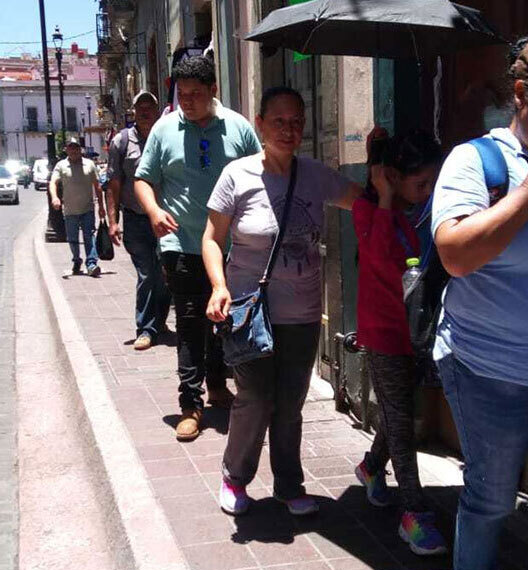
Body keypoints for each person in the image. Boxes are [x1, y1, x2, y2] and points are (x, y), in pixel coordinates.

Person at [204, 86, 364, 516]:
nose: (289, 130)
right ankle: (235, 478)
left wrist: (382, 165)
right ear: (259, 123)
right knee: (255, 398)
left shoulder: (315, 175)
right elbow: (212, 239)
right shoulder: (236, 176)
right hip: (251, 310)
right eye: (279, 121)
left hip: (303, 310)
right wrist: (219, 286)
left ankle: (289, 484)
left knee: (290, 401)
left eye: (297, 122)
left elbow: (363, 203)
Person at [432, 36, 528, 570]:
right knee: (492, 496)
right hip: (484, 363)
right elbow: (455, 254)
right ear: (522, 94)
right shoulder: (477, 163)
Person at [134, 54, 261, 441]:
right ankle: (190, 403)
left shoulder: (237, 128)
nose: (186, 101)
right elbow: (144, 179)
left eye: (195, 94)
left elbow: (260, 173)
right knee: (189, 323)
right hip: (181, 243)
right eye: (181, 93)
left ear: (213, 91)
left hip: (230, 247)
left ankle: (218, 383)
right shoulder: (164, 129)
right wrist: (154, 210)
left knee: (223, 319)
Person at [349, 129, 449, 556]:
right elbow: (376, 257)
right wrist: (386, 197)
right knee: (402, 422)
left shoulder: (417, 214)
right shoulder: (367, 210)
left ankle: (371, 468)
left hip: (414, 331)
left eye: (432, 183)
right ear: (392, 177)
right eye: (420, 183)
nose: (427, 192)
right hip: (384, 331)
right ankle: (414, 512)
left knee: (397, 410)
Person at [107, 91, 172, 351]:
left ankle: (160, 322)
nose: (145, 111)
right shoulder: (121, 142)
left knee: (166, 273)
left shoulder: (167, 137)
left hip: (166, 219)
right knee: (147, 273)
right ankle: (145, 328)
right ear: (133, 111)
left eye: (150, 106)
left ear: (157, 111)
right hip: (135, 219)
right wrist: (113, 221)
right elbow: (113, 183)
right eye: (140, 107)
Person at [51, 137, 106, 277]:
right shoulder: (61, 165)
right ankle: (76, 260)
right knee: (72, 239)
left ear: (80, 149)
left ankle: (92, 263)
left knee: (89, 236)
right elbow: (53, 183)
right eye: (71, 147)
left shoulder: (89, 164)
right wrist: (55, 197)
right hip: (70, 210)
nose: (74, 150)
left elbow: (98, 186)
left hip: (87, 208)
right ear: (66, 150)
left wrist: (101, 206)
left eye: (76, 147)